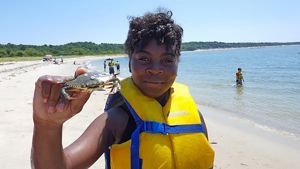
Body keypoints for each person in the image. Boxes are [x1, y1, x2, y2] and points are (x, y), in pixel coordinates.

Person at [31, 9, 214, 169]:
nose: (156, 69)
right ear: (129, 61)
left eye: (167, 60)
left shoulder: (196, 117)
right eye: (144, 59)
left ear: (178, 62)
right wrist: (47, 126)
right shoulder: (115, 121)